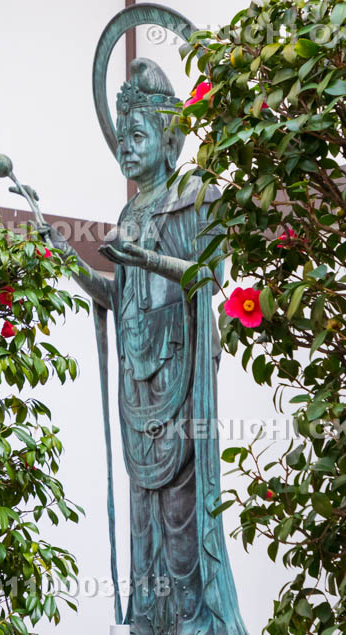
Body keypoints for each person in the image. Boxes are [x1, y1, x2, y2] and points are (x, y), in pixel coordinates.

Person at [41, 58, 247, 634]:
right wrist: (69, 260)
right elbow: (119, 293)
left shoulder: (197, 195)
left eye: (138, 136)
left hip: (181, 379)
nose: (126, 150)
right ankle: (153, 622)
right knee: (146, 520)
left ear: (169, 137)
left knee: (184, 517)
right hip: (140, 386)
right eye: (121, 139)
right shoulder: (129, 212)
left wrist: (148, 257)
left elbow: (208, 278)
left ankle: (192, 620)